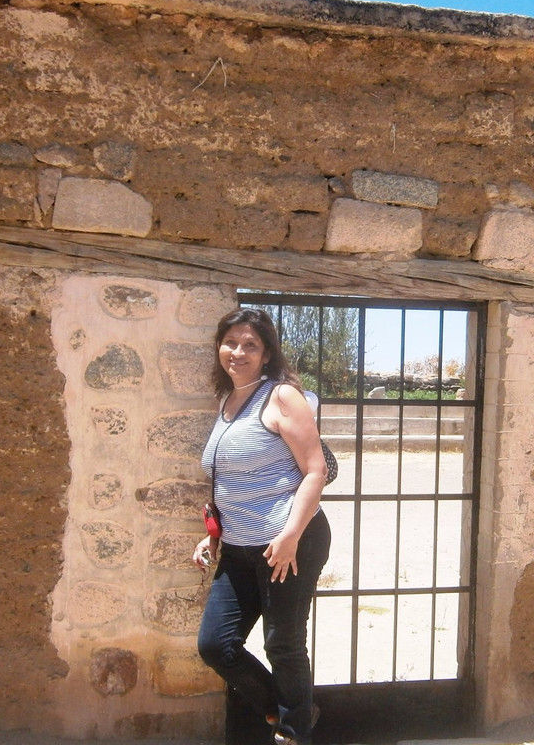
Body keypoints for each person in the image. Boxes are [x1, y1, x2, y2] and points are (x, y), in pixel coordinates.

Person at [194, 308, 331, 745]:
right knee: (216, 645)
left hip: (288, 540)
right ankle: (289, 708)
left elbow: (315, 470)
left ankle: (294, 734)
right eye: (231, 342)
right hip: (237, 546)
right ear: (220, 346)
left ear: (267, 353)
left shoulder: (282, 397)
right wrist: (213, 533)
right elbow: (233, 477)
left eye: (250, 344)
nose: (238, 352)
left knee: (283, 644)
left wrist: (290, 536)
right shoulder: (228, 401)